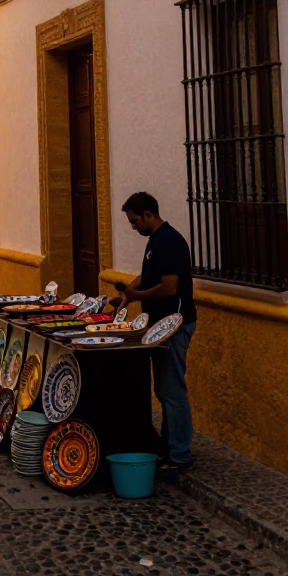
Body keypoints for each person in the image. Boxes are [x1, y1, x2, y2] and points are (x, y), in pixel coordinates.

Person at [112, 191, 197, 473]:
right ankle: (168, 445)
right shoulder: (155, 242)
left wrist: (137, 296)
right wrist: (128, 293)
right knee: (164, 389)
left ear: (149, 214)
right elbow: (146, 278)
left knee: (172, 391)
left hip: (174, 324)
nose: (133, 227)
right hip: (158, 327)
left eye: (134, 221)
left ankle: (180, 455)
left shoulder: (169, 242)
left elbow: (169, 287)